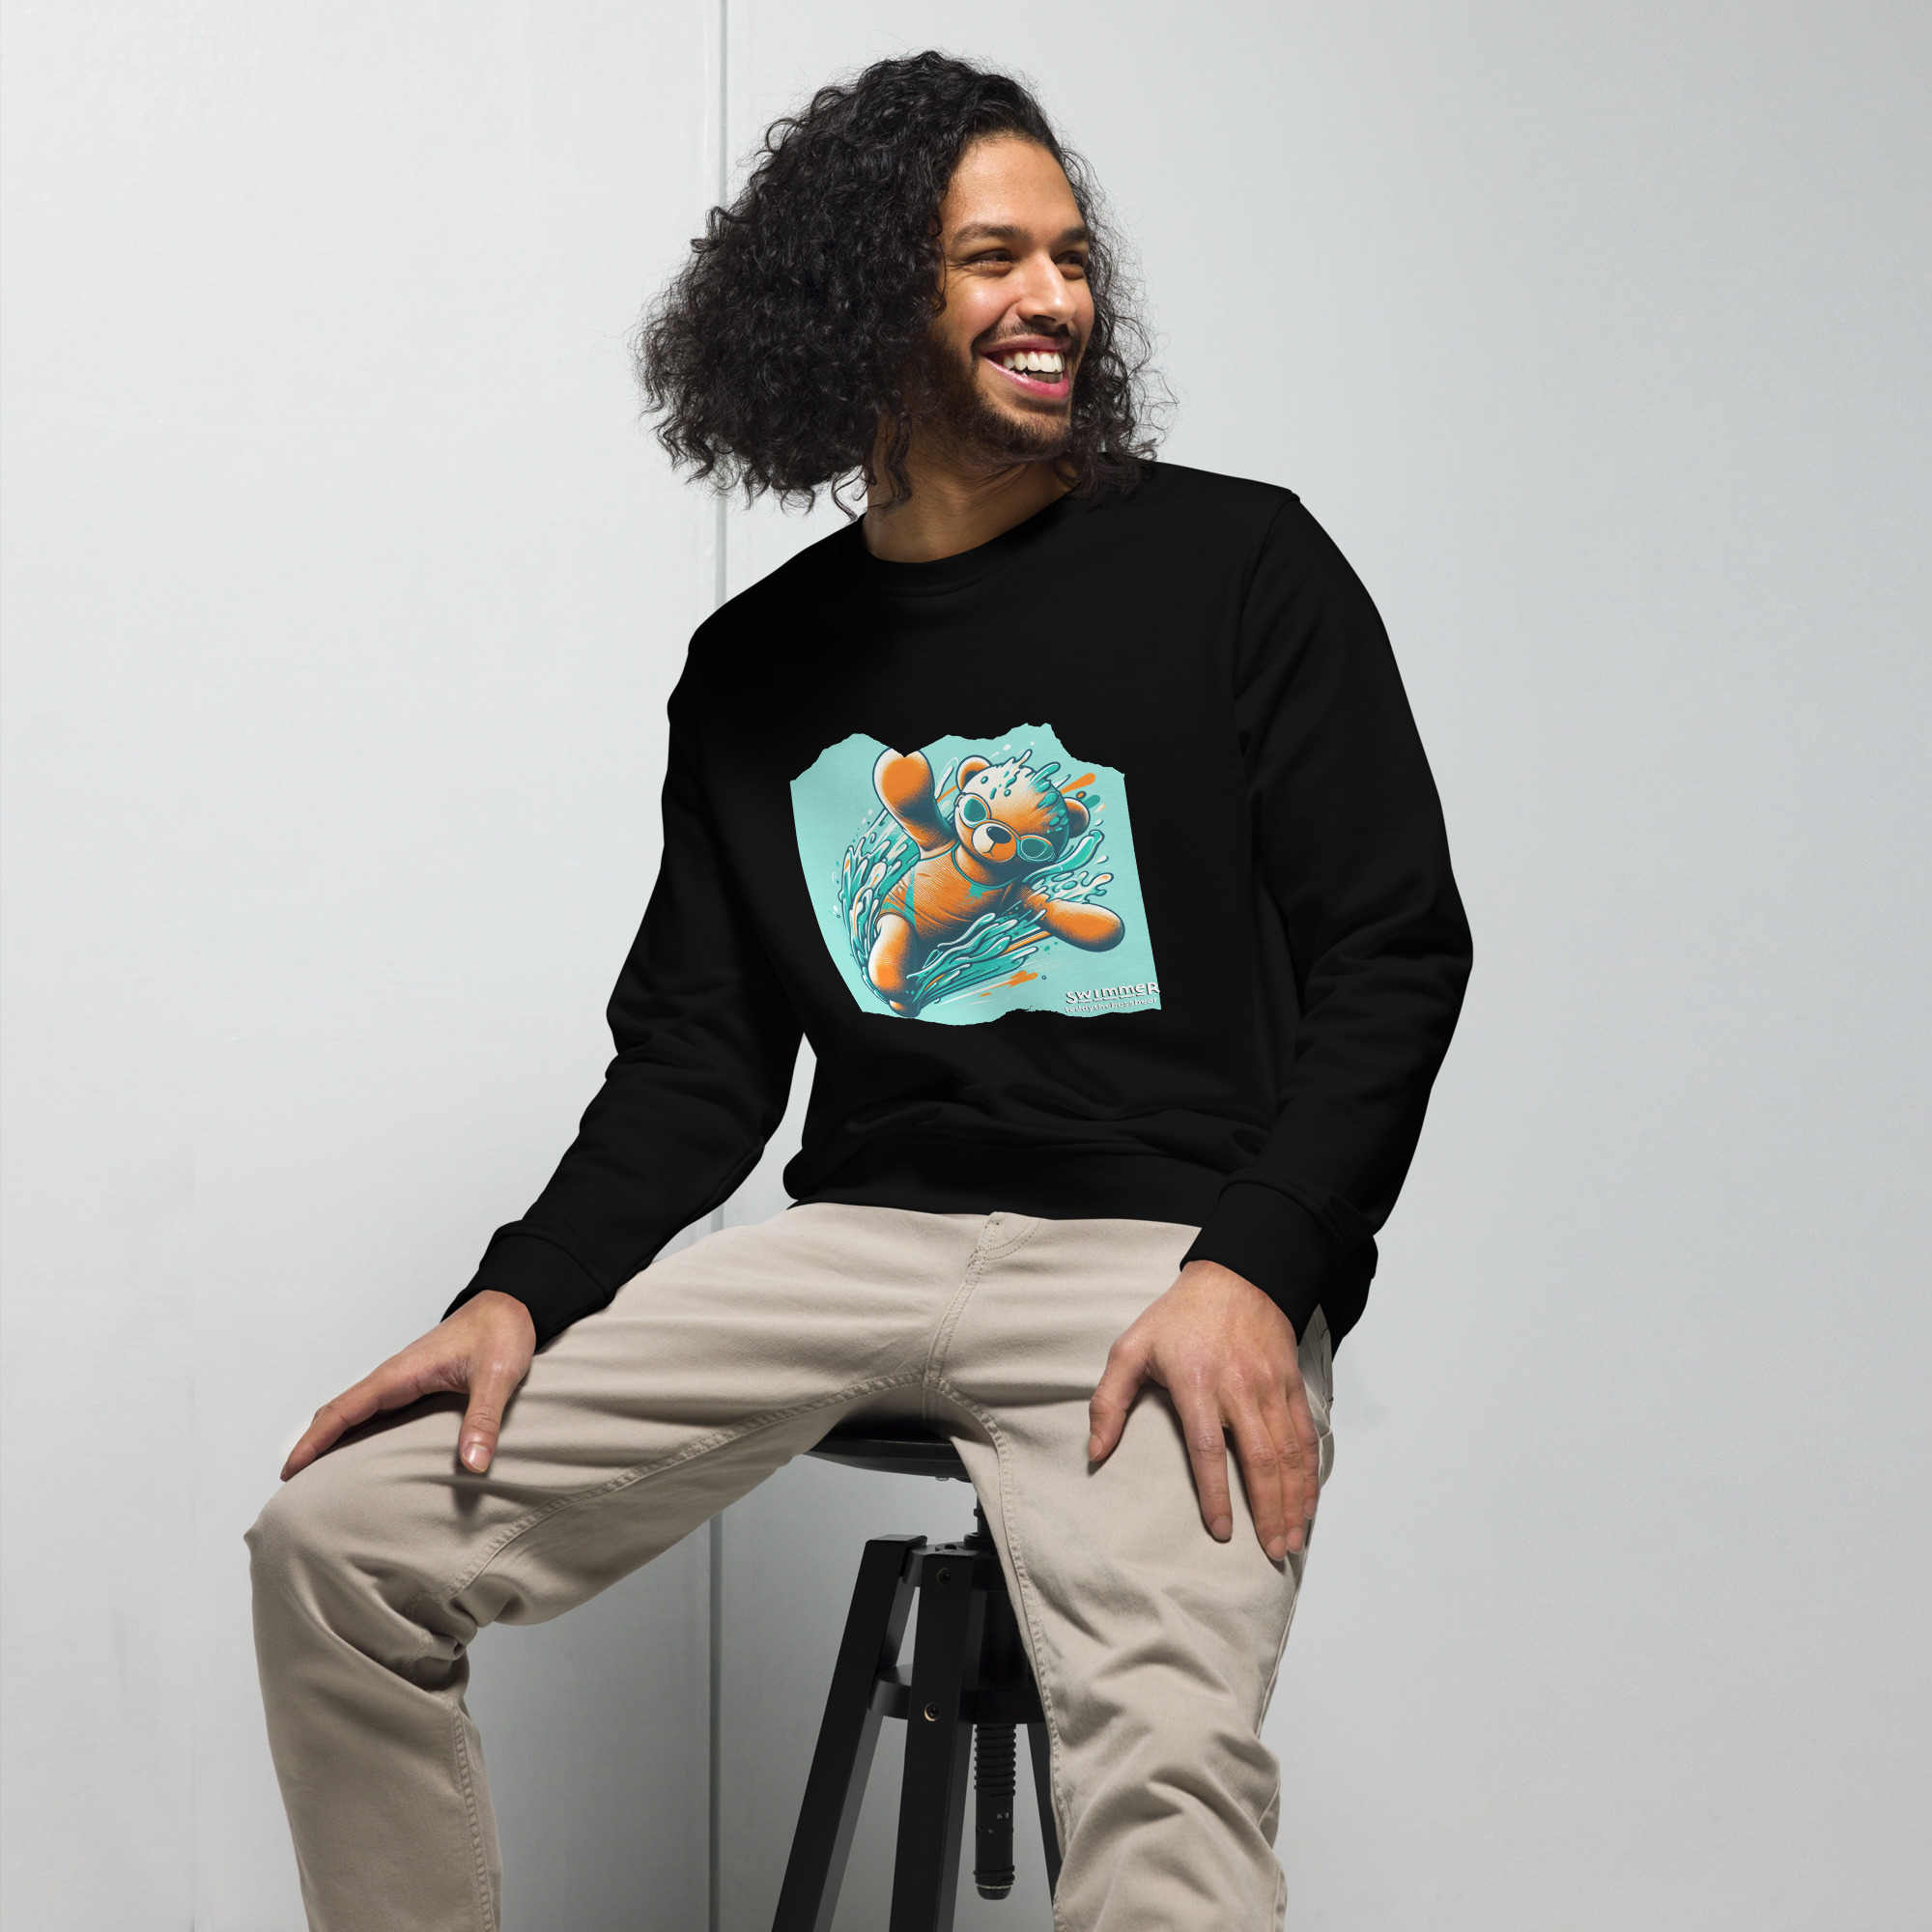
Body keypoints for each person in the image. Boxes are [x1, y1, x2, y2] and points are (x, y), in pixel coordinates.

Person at [247, 50, 1473, 1932]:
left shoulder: (1241, 566)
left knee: (1163, 1780)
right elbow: (697, 1059)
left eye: (1071, 256)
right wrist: (522, 1291)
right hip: (861, 1244)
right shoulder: (757, 667)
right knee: (336, 1542)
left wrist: (1263, 1265)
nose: (1056, 298)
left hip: (1160, 1249)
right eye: (994, 258)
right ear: (855, 303)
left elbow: (1396, 946)